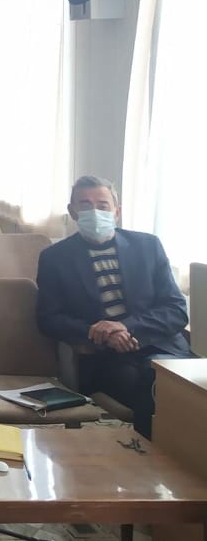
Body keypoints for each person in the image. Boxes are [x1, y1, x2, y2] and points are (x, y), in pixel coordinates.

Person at [36, 176, 191, 439]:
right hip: (105, 357)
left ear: (116, 212)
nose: (94, 212)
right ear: (72, 211)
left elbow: (176, 309)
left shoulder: (148, 246)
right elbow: (48, 318)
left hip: (163, 349)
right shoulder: (55, 257)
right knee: (151, 386)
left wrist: (124, 327)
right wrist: (99, 333)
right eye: (85, 205)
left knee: (180, 385)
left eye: (102, 205)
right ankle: (151, 455)